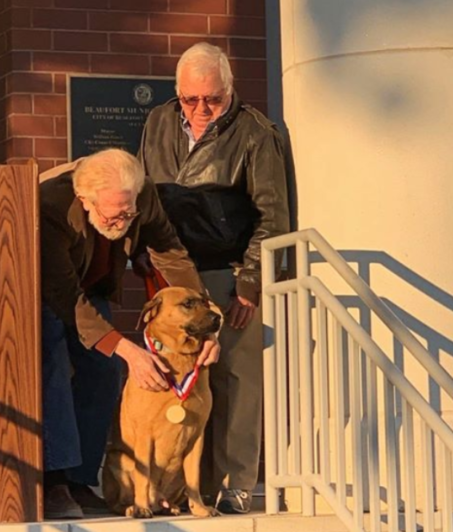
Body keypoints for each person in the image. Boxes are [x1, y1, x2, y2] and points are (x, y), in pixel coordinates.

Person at [137, 42, 290, 514]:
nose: (201, 109)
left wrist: (250, 280)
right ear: (177, 94)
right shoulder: (159, 122)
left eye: (213, 99)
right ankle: (184, 488)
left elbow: (273, 215)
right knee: (175, 381)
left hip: (230, 272)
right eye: (190, 99)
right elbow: (144, 197)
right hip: (172, 275)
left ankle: (237, 482)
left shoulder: (255, 131)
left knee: (236, 381)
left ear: (229, 90)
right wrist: (144, 262)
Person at [39, 148, 220, 519]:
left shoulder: (142, 194)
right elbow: (65, 295)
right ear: (84, 199)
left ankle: (80, 479)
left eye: (129, 212)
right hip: (51, 292)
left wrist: (205, 319)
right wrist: (128, 349)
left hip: (95, 286)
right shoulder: (51, 204)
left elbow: (170, 253)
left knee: (104, 373)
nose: (124, 219)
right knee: (54, 363)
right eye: (114, 213)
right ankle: (54, 481)